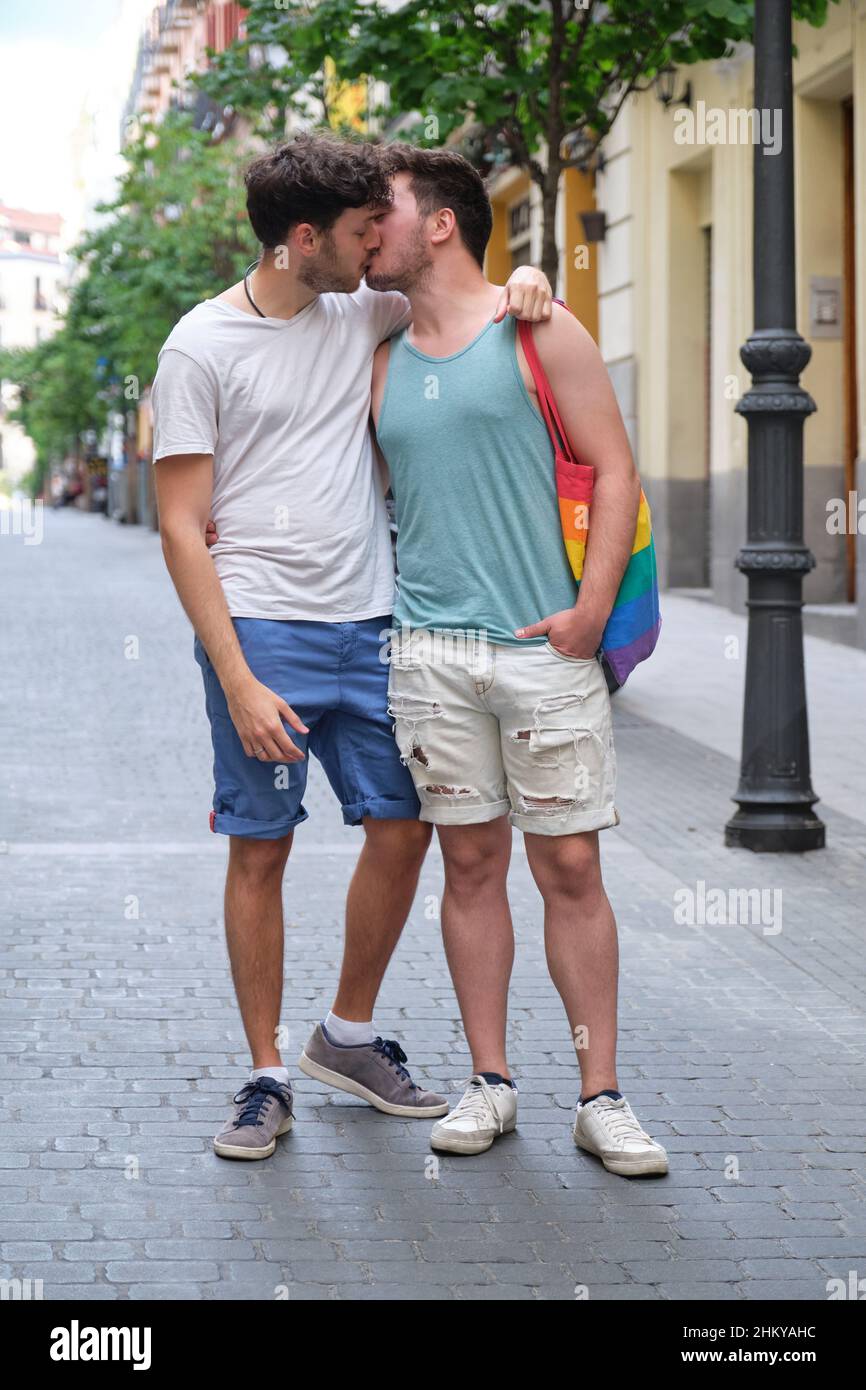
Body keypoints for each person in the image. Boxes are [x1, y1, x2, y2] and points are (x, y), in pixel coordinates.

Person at [151, 134, 553, 1160]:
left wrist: (527, 277)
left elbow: (458, 297)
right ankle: (264, 1073)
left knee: (401, 824)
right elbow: (178, 523)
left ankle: (348, 1032)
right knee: (261, 846)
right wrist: (237, 674)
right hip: (263, 631)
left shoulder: (361, 307)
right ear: (302, 240)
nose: (380, 241)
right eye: (362, 227)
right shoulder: (200, 347)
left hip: (374, 621)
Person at [367, 144, 668, 1176]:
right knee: (470, 863)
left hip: (541, 648)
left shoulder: (539, 326)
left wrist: (588, 613)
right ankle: (489, 1081)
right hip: (429, 655)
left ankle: (601, 1095)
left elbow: (616, 466)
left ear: (440, 221)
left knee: (570, 866)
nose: (370, 228)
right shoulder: (376, 348)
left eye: (384, 209)